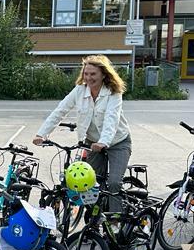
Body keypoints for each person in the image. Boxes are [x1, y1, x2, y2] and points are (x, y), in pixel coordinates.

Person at [33, 54, 132, 211]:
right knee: (89, 182)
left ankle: (115, 219)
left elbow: (111, 119)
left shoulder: (113, 92)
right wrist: (42, 134)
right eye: (86, 73)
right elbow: (60, 110)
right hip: (92, 143)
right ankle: (96, 215)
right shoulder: (79, 91)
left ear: (103, 75)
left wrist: (104, 142)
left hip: (117, 142)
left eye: (93, 74)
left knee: (113, 182)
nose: (88, 77)